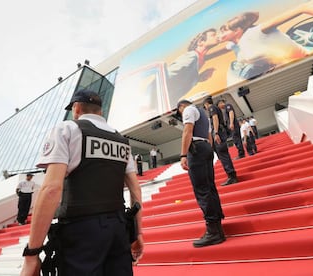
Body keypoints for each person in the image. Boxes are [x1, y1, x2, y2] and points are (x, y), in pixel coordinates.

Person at [20, 90, 143, 276]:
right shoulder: (122, 141)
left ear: (76, 108)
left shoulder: (67, 129)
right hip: (118, 230)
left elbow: (51, 189)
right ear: (100, 112)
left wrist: (32, 253)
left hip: (81, 232)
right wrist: (137, 233)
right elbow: (136, 190)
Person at [177, 99, 225, 247]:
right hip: (206, 147)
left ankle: (213, 231)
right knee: (210, 187)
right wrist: (208, 149)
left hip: (196, 148)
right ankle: (217, 226)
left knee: (202, 189)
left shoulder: (188, 110)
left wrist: (183, 155)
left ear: (181, 106)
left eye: (180, 111)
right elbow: (209, 135)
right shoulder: (203, 114)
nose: (181, 114)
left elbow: (187, 131)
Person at [165, 28, 221, 106]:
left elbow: (182, 79)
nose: (217, 36)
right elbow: (168, 75)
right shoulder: (191, 56)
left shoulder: (200, 58)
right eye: (213, 35)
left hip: (170, 101)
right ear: (200, 42)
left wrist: (198, 78)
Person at [203, 97, 238, 186]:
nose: (206, 108)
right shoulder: (216, 108)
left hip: (219, 132)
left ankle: (232, 176)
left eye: (205, 106)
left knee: (223, 155)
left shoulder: (212, 108)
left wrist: (216, 132)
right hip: (221, 132)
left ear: (206, 104)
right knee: (223, 155)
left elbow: (215, 119)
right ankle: (231, 175)